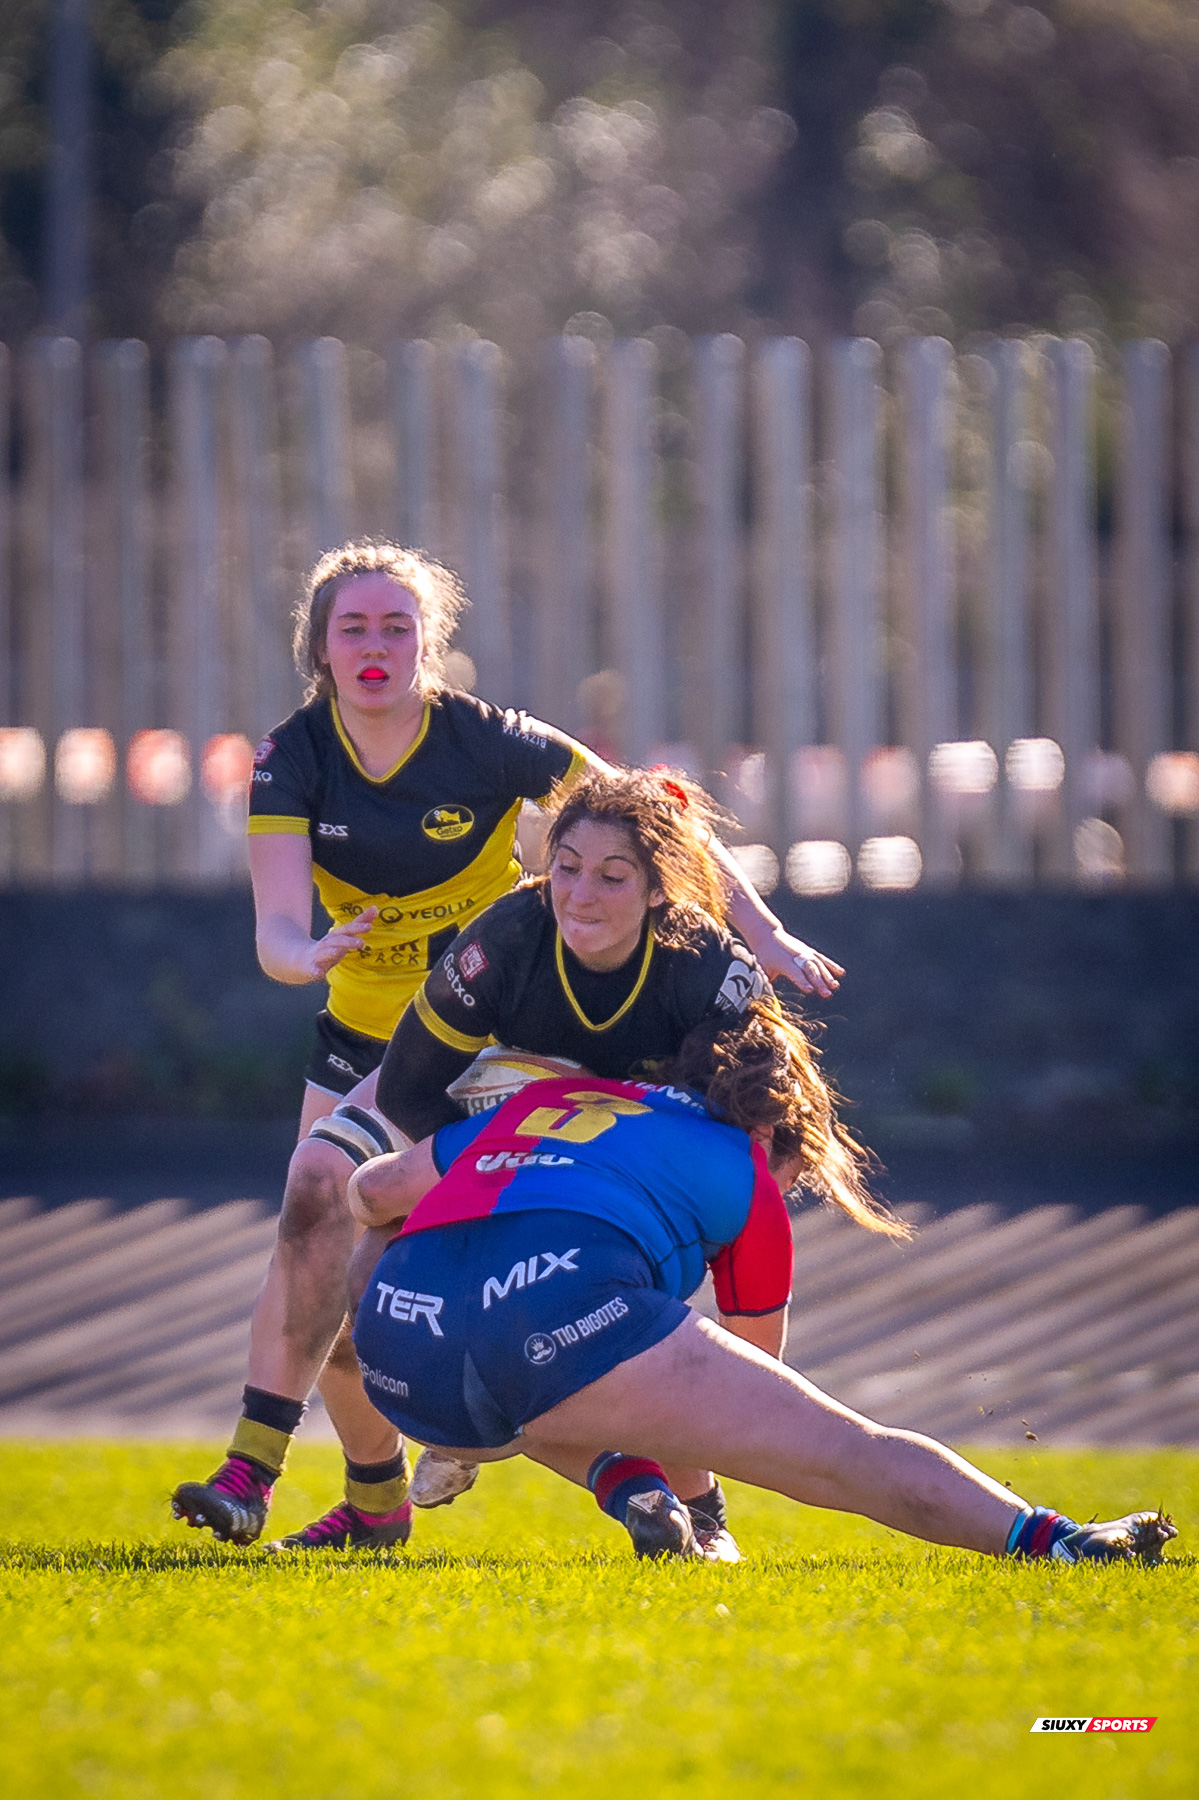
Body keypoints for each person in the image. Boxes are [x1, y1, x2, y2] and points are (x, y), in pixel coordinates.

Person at [171, 549, 842, 1553]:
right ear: (319, 646)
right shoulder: (292, 757)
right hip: (368, 1047)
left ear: (430, 642)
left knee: (488, 1287)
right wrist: (299, 954)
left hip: (493, 1058)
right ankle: (340, 1493)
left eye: (397, 626)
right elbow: (273, 928)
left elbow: (648, 820)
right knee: (321, 1238)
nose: (375, 645)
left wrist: (766, 931)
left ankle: (662, 1494)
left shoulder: (487, 740)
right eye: (353, 627)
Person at [345, 1007, 1177, 1569]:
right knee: (848, 1452)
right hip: (544, 1330)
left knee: (527, 1357)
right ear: (775, 1132)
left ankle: (621, 1486)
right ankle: (1054, 1541)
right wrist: (709, 1509)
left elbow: (371, 1192)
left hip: (398, 1358)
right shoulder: (744, 1172)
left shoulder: (556, 1098)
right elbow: (730, 1403)